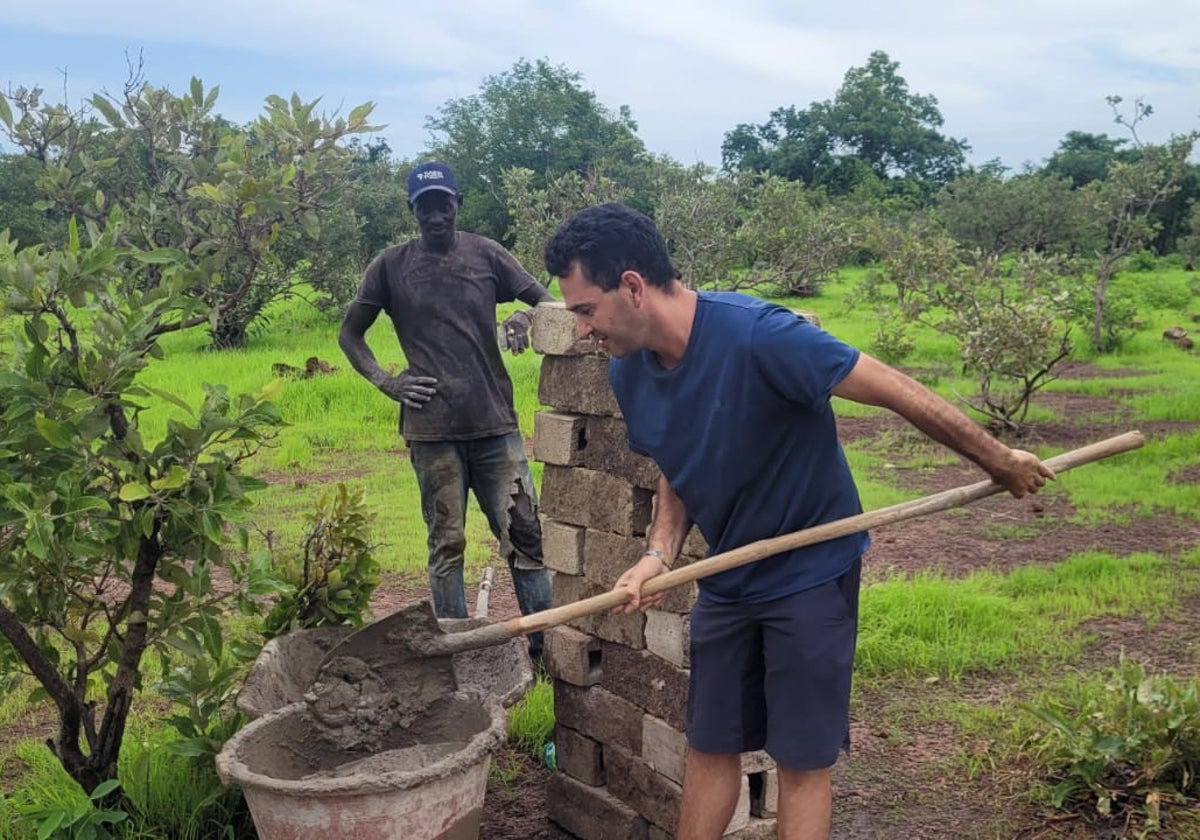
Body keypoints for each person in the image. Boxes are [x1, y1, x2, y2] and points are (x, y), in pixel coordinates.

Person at [543, 203, 1055, 840]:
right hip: (729, 580)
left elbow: (893, 385)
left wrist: (999, 459)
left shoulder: (760, 336)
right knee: (710, 743)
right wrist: (660, 552)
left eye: (586, 310)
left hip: (810, 576)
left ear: (633, 287)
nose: (585, 330)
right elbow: (676, 459)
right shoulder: (629, 369)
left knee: (801, 760)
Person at [339, 160, 554, 662]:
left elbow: (545, 298)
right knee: (447, 544)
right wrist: (387, 381)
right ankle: (455, 658)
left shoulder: (486, 254)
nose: (436, 216)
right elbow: (350, 333)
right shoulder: (390, 266)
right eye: (425, 207)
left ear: (458, 204)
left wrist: (523, 314)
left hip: (496, 424)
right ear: (412, 210)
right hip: (431, 431)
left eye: (444, 205)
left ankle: (546, 653)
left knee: (526, 536)